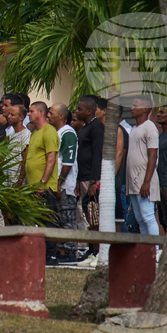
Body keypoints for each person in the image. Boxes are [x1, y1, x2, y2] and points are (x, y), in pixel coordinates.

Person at [22, 102, 61, 265]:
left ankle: (52, 254)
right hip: (32, 186)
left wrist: (42, 182)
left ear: (40, 113)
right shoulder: (35, 133)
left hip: (45, 187)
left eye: (31, 111)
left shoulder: (49, 131)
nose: (28, 114)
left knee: (48, 220)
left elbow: (51, 159)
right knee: (36, 220)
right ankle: (41, 252)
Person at [74, 95, 104, 263]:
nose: (77, 112)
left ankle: (98, 251)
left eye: (79, 109)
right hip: (83, 176)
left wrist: (94, 181)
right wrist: (79, 180)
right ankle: (92, 250)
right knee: (88, 214)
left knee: (94, 214)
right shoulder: (85, 127)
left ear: (89, 111)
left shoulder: (97, 127)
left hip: (92, 178)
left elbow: (97, 153)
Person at [126, 97, 161, 236]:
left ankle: (155, 249)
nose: (132, 108)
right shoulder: (134, 129)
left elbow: (153, 155)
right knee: (140, 219)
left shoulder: (150, 127)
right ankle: (147, 250)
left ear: (146, 109)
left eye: (136, 105)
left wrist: (147, 181)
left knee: (148, 216)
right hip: (134, 182)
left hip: (145, 180)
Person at [49, 103, 79, 262]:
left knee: (68, 218)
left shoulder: (68, 133)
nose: (48, 115)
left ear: (61, 116)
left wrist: (59, 182)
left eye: (51, 112)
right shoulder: (56, 132)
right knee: (58, 219)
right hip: (56, 185)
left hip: (65, 186)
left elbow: (68, 161)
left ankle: (70, 252)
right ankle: (60, 250)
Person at [5, 105, 30, 184]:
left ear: (21, 118)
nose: (9, 116)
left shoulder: (26, 134)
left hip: (16, 181)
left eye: (12, 115)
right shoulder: (12, 133)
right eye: (9, 114)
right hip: (7, 180)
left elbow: (25, 161)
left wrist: (19, 182)